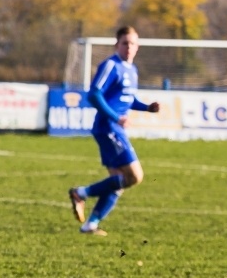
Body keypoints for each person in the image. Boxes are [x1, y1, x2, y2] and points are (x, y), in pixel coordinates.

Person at [68, 26, 160, 235]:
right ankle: (81, 193)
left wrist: (146, 107)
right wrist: (115, 117)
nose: (129, 47)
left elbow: (127, 99)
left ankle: (90, 224)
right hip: (108, 128)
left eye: (133, 43)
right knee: (135, 176)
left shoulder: (131, 70)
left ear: (138, 46)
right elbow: (93, 95)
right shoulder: (111, 66)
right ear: (116, 45)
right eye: (125, 43)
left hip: (113, 128)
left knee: (118, 183)